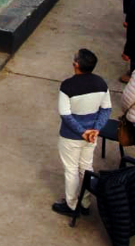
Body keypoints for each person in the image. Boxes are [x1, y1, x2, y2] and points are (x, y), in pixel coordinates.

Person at [53, 48, 112, 217]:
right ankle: (85, 202)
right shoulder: (101, 83)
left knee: (71, 169)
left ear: (76, 65)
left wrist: (82, 131)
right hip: (91, 136)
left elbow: (65, 114)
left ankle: (72, 205)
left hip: (71, 136)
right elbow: (106, 109)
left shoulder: (67, 86)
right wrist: (95, 129)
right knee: (86, 167)